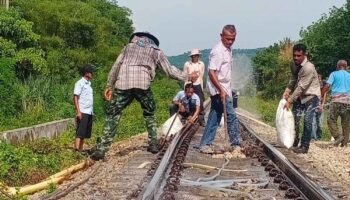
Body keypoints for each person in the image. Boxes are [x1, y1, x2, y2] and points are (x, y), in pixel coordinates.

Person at [90, 32, 198, 160]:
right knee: (149, 112)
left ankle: (102, 149)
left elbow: (116, 66)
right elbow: (169, 71)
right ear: (153, 41)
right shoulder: (156, 51)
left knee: (113, 113)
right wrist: (188, 77)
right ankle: (153, 143)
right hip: (143, 84)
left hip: (123, 83)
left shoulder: (128, 47)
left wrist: (109, 85)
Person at [198, 25, 240, 154]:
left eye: (233, 39)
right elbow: (211, 73)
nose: (230, 41)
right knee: (231, 115)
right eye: (227, 39)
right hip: (219, 89)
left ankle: (205, 144)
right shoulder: (218, 51)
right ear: (221, 36)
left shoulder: (228, 49)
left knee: (215, 115)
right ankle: (235, 144)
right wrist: (221, 90)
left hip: (225, 88)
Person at [283, 44, 321, 154]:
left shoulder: (309, 67)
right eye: (294, 55)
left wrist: (290, 100)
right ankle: (294, 142)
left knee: (307, 121)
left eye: (298, 56)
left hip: (311, 95)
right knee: (294, 119)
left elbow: (301, 87)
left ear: (304, 55)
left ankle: (304, 146)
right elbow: (294, 77)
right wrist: (288, 90)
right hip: (299, 95)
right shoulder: (293, 64)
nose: (296, 58)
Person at [321, 60, 350, 147]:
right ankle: (344, 144)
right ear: (346, 66)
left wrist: (321, 94)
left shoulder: (334, 74)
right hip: (348, 102)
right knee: (346, 123)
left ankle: (338, 137)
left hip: (336, 101)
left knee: (331, 119)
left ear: (338, 66)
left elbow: (327, 85)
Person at [73, 65, 94, 152]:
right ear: (86, 73)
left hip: (89, 111)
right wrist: (78, 112)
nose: (92, 74)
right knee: (80, 133)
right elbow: (75, 97)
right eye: (91, 73)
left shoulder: (89, 84)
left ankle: (80, 150)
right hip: (83, 111)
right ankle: (77, 151)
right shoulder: (79, 83)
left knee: (84, 133)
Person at [183, 49, 206, 126]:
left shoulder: (201, 64)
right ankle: (187, 117)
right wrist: (191, 76)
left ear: (198, 56)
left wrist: (196, 77)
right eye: (194, 56)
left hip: (198, 84)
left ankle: (201, 119)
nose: (195, 57)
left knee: (201, 102)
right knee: (188, 101)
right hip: (189, 84)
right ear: (191, 56)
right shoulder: (187, 64)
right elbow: (184, 75)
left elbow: (201, 75)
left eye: (196, 55)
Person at [311, 73, 326, 140]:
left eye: (319, 79)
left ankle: (319, 137)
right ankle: (313, 138)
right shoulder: (312, 87)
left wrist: (322, 106)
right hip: (313, 107)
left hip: (320, 107)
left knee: (320, 124)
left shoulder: (323, 87)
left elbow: (324, 96)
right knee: (313, 123)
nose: (319, 80)